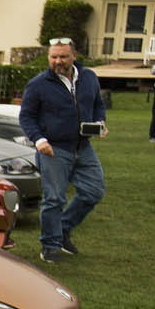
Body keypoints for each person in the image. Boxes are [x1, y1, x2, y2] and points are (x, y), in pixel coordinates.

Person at [19, 38, 107, 263]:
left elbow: (97, 104)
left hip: (83, 147)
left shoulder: (88, 78)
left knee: (94, 191)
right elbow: (26, 116)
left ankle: (63, 228)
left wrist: (100, 122)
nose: (58, 61)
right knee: (54, 199)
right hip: (54, 150)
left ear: (74, 56)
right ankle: (50, 246)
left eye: (63, 57)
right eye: (54, 57)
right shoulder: (38, 84)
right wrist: (39, 140)